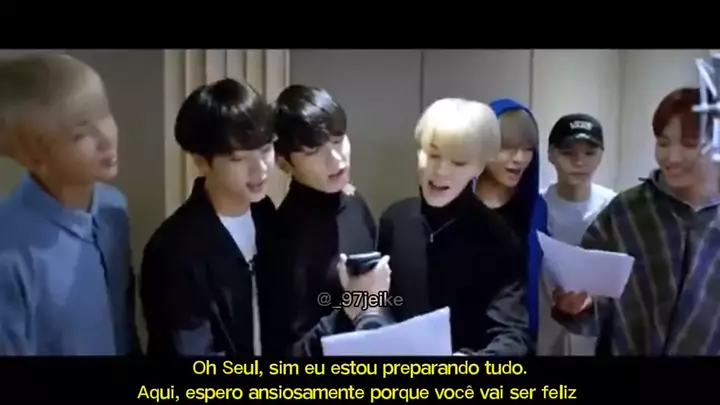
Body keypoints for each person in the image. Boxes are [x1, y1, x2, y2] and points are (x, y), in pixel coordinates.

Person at [553, 87, 720, 355]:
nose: (672, 157)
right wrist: (580, 303)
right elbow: (592, 295)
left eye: (689, 144)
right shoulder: (627, 211)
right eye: (663, 143)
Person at [0, 54, 137, 355]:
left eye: (104, 113)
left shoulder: (113, 210)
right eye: (80, 134)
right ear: (35, 157)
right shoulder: (9, 254)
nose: (106, 137)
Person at [381, 98, 530, 355]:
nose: (440, 170)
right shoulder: (395, 219)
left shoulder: (500, 241)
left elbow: (513, 335)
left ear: (479, 167)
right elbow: (375, 303)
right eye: (433, 154)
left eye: (458, 162)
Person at [140, 78, 276, 356]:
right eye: (239, 159)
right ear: (201, 162)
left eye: (265, 150)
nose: (260, 168)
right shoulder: (173, 250)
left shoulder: (265, 214)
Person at [263, 85, 388, 356]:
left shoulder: (354, 202)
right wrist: (351, 308)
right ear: (284, 163)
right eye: (312, 151)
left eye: (338, 140)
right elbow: (286, 355)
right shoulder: (282, 236)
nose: (335, 159)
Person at [539, 113, 616, 355]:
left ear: (601, 155)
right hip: (543, 328)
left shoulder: (614, 207)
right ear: (551, 155)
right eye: (568, 153)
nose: (579, 162)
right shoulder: (537, 207)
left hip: (597, 332)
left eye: (589, 153)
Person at [474, 98, 546, 351]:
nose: (519, 159)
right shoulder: (458, 202)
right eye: (506, 148)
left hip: (513, 341)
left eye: (528, 149)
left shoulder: (535, 209)